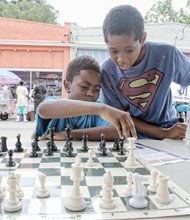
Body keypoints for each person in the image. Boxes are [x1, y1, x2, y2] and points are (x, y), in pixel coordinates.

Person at [100, 4, 189, 140]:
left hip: (170, 128)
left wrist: (166, 133)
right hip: (133, 133)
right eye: (114, 51)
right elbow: (121, 117)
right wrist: (161, 133)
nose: (122, 59)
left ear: (142, 39)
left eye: (129, 50)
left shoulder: (167, 54)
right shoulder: (107, 72)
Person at [36, 55, 136, 140]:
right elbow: (43, 109)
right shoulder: (100, 109)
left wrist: (69, 134)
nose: (91, 93)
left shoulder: (99, 109)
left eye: (97, 89)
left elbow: (117, 131)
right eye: (84, 86)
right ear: (67, 85)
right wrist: (101, 110)